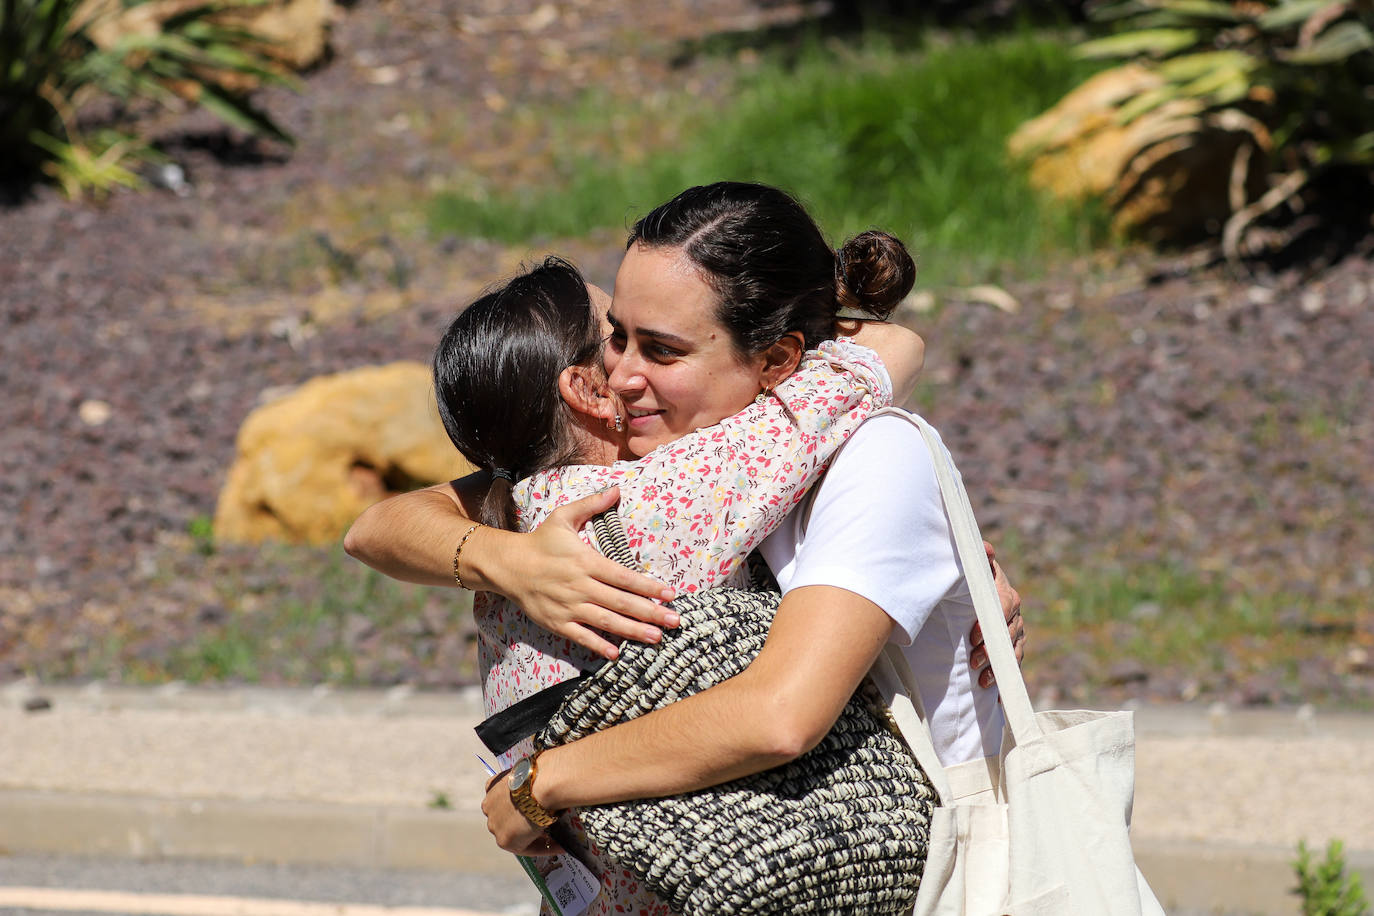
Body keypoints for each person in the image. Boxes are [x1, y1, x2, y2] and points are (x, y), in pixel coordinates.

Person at [346, 182, 1026, 915]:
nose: (623, 374)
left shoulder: (557, 497)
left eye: (660, 348)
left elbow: (781, 713)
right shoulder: (675, 478)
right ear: (580, 390)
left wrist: (537, 783)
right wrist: (511, 561)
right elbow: (381, 526)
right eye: (616, 336)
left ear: (777, 358)